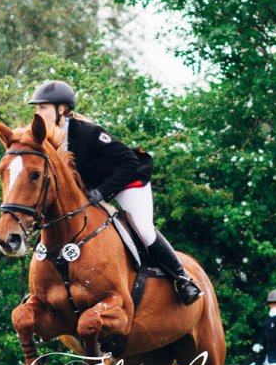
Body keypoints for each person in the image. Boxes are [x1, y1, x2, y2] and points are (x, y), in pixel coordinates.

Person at [28, 80, 203, 306]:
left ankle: (182, 279)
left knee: (143, 229)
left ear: (61, 109)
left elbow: (129, 161)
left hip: (127, 181)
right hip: (91, 189)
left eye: (43, 107)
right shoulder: (46, 140)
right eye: (37, 107)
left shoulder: (89, 133)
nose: (38, 112)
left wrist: (103, 192)